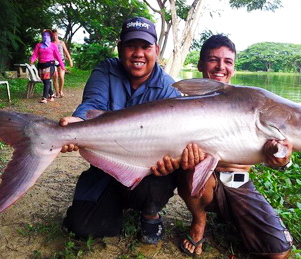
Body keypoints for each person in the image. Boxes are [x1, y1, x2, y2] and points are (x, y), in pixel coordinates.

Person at [59, 17, 199, 243]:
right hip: (106, 167)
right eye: (131, 46)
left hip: (148, 172)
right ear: (120, 48)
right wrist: (78, 121)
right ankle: (108, 202)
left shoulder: (169, 90)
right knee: (81, 227)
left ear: (156, 50)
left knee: (160, 177)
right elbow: (92, 104)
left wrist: (173, 163)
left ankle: (150, 213)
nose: (138, 54)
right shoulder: (106, 70)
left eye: (145, 47)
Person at [177, 35, 294, 258]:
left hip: (238, 181)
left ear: (234, 67)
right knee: (191, 164)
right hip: (200, 180)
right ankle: (199, 221)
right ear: (201, 65)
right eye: (213, 60)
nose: (221, 67)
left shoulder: (250, 102)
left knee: (278, 252)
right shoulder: (184, 103)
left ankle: (234, 214)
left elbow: (283, 144)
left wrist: (283, 161)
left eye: (228, 62)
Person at [30, 29, 65, 103]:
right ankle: (51, 95)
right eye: (44, 35)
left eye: (48, 35)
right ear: (42, 36)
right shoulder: (39, 45)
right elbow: (35, 54)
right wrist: (32, 60)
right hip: (40, 65)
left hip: (50, 65)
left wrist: (62, 65)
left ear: (50, 36)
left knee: (46, 81)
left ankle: (44, 98)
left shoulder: (53, 46)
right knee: (46, 81)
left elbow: (58, 56)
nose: (46, 36)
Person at [52, 29, 73, 98]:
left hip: (61, 61)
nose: (55, 36)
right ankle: (56, 92)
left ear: (57, 35)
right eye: (53, 35)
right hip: (53, 61)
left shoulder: (61, 42)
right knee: (55, 77)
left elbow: (66, 52)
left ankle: (60, 90)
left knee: (61, 77)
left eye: (56, 35)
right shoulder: (51, 43)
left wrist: (70, 60)